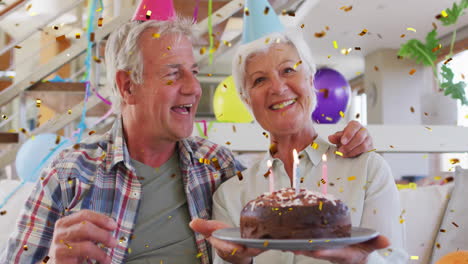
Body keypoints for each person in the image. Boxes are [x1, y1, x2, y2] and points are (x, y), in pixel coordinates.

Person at [0, 11, 374, 264]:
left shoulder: (220, 167)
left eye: (194, 72)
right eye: (173, 74)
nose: (195, 88)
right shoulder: (70, 172)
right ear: (128, 85)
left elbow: (289, 175)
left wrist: (350, 140)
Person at [189, 1, 408, 264]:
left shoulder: (367, 171)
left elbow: (395, 259)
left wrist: (360, 260)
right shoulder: (232, 194)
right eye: (260, 80)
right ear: (247, 101)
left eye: (288, 70)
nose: (278, 87)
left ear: (311, 80)